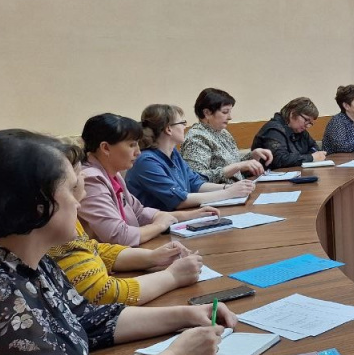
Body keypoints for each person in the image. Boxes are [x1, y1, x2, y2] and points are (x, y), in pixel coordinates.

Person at [0, 129, 236, 355]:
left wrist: (185, 315)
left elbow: (86, 317)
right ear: (35, 204)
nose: (82, 198)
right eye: (72, 188)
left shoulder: (26, 258)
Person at [50, 139, 204, 305]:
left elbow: (93, 248)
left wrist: (152, 257)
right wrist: (172, 276)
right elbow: (103, 292)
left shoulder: (113, 177)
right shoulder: (91, 181)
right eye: (131, 144)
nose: (82, 176)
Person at [79, 113, 219, 246]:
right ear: (105, 148)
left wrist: (190, 215)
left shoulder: (112, 174)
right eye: (132, 145)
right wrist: (160, 225)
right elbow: (119, 236)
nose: (138, 152)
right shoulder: (91, 180)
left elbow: (139, 213)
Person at [126, 104, 255, 211]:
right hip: (159, 228)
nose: (185, 127)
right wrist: (228, 193)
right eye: (182, 123)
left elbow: (195, 183)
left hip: (180, 218)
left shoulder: (173, 153)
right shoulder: (146, 161)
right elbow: (179, 201)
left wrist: (229, 187)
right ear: (168, 129)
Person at [181, 88, 272, 183]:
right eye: (225, 112)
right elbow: (197, 178)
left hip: (237, 188)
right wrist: (238, 166)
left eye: (229, 112)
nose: (230, 117)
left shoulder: (223, 132)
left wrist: (253, 156)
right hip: (220, 191)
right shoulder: (196, 138)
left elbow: (232, 165)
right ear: (207, 113)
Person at [251, 97, 327, 168]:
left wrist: (309, 156)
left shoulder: (299, 130)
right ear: (293, 113)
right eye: (306, 120)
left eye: (310, 123)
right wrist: (311, 157)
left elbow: (314, 148)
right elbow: (279, 160)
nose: (307, 126)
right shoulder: (274, 130)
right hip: (268, 175)